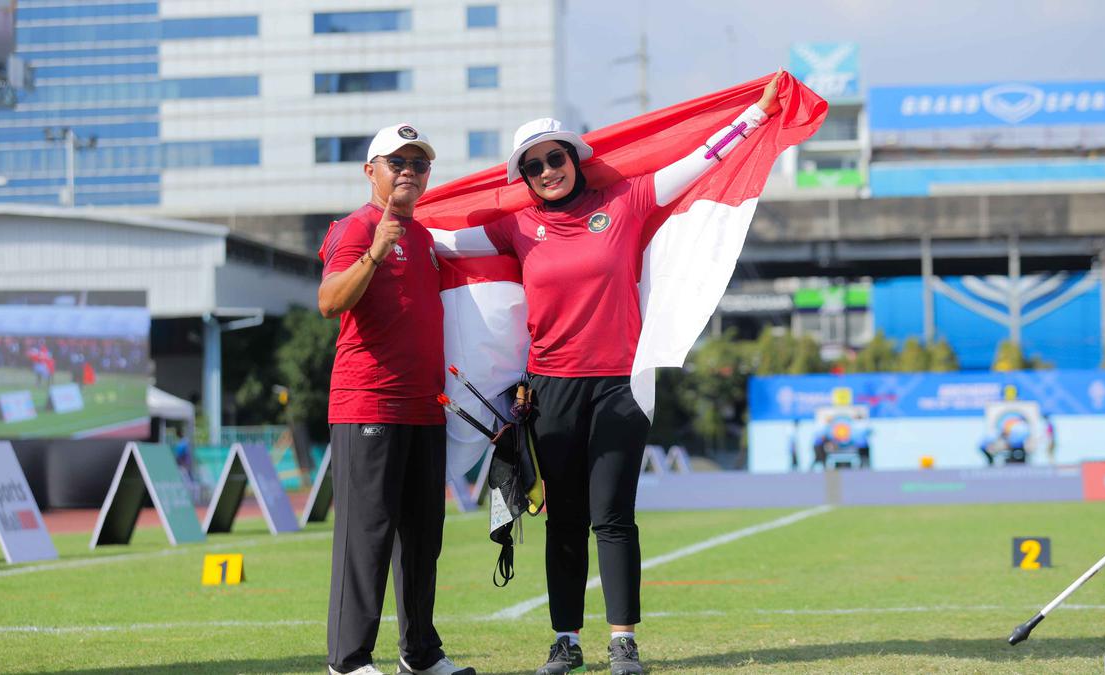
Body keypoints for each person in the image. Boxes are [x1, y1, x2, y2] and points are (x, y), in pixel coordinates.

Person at [432, 72, 784, 675]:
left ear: (574, 157)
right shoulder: (515, 227)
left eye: (555, 157)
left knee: (613, 516)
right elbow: (441, 241)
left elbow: (702, 160)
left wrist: (754, 117)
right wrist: (383, 219)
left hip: (620, 385)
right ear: (525, 177)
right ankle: (565, 642)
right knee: (564, 520)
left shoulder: (627, 201)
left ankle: (623, 641)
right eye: (534, 166)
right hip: (548, 391)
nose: (548, 171)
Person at [317, 123, 474, 675]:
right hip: (368, 405)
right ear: (371, 172)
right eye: (397, 162)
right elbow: (328, 301)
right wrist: (374, 254)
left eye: (419, 164)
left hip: (423, 407)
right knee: (367, 535)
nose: (409, 171)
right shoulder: (356, 228)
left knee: (423, 540)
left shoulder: (426, 239)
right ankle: (349, 659)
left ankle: (421, 654)